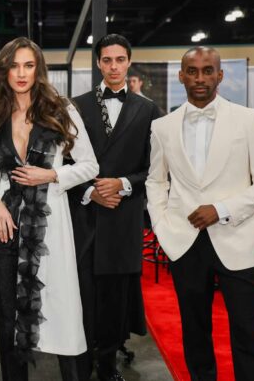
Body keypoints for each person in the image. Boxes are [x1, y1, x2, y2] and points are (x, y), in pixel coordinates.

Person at [146, 46, 254, 381]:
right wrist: (162, 226)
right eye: (192, 71)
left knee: (248, 331)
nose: (200, 78)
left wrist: (221, 209)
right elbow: (156, 180)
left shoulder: (249, 119)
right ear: (181, 76)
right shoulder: (162, 127)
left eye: (208, 71)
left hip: (237, 240)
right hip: (184, 242)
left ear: (220, 75)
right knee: (194, 331)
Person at [0, 37, 99, 381]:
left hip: (49, 230)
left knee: (64, 317)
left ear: (38, 69)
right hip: (1, 232)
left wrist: (53, 174)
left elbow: (90, 165)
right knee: (7, 325)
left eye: (28, 65)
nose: (21, 73)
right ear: (4, 71)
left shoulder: (61, 110)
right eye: (14, 66)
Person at [68, 34, 161, 381]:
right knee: (82, 291)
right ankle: (79, 362)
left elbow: (156, 168)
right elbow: (63, 162)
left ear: (129, 62)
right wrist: (90, 190)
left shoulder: (148, 110)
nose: (114, 67)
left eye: (120, 60)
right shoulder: (75, 106)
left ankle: (107, 365)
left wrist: (122, 184)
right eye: (107, 60)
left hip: (124, 215)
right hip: (84, 215)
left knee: (115, 296)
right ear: (98, 63)